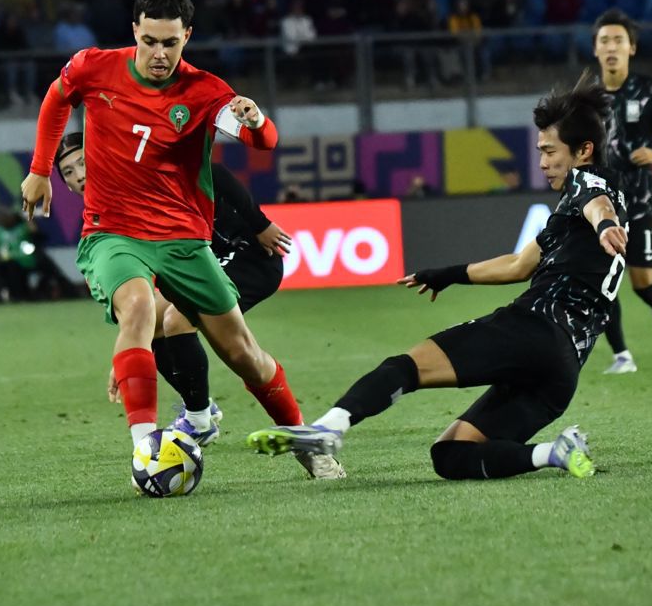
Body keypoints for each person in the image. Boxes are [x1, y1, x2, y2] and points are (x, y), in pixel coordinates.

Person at [20, 0, 343, 481]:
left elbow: (263, 141)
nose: (159, 54)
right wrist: (40, 169)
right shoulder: (94, 67)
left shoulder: (205, 92)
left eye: (170, 43)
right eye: (149, 41)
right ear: (135, 30)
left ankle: (306, 443)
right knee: (139, 306)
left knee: (242, 353)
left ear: (187, 36)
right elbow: (57, 98)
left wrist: (256, 119)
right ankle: (146, 451)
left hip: (184, 240)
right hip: (113, 231)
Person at [245, 77, 627, 481]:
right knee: (451, 455)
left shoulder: (589, 184)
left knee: (405, 367)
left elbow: (597, 204)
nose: (543, 162)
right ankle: (555, 452)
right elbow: (518, 265)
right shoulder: (577, 210)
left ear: (583, 151)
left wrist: (605, 225)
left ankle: (328, 429)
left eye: (550, 151)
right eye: (540, 152)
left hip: (535, 328)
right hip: (562, 370)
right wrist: (449, 275)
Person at [54, 131, 295, 440]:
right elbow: (141, 292)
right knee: (155, 322)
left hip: (249, 256)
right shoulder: (110, 213)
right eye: (68, 172)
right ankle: (201, 412)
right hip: (203, 262)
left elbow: (214, 173)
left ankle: (203, 417)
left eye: (82, 163)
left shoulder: (139, 173)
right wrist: (130, 351)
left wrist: (260, 224)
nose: (79, 176)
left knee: (186, 324)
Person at [591, 9, 652, 374]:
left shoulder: (651, 90)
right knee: (601, 282)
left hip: (641, 199)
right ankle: (622, 356)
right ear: (595, 49)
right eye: (604, 41)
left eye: (618, 40)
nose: (611, 47)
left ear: (631, 48)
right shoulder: (585, 99)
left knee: (642, 281)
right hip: (600, 203)